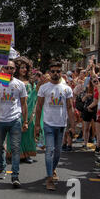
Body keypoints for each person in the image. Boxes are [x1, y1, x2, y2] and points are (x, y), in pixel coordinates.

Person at [35, 61, 75, 191]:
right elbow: (39, 107)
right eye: (53, 71)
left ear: (61, 72)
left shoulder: (66, 88)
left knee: (58, 152)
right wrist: (36, 125)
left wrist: (72, 126)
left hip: (61, 125)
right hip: (48, 124)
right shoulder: (44, 88)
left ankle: (52, 169)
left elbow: (70, 107)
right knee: (49, 151)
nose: (56, 73)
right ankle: (49, 178)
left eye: (58, 71)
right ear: (49, 72)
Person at [0, 60, 28, 188]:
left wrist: (25, 120)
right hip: (1, 121)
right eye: (7, 68)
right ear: (3, 70)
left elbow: (23, 104)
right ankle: (2, 169)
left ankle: (15, 176)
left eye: (11, 68)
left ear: (14, 70)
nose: (9, 70)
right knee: (0, 146)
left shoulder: (20, 84)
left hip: (15, 120)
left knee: (15, 148)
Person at [7, 57, 37, 163]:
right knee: (15, 133)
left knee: (28, 133)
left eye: (26, 68)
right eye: (22, 67)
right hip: (15, 111)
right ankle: (13, 154)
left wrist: (32, 112)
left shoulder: (31, 82)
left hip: (28, 112)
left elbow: (34, 96)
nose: (24, 70)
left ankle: (27, 154)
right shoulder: (11, 81)